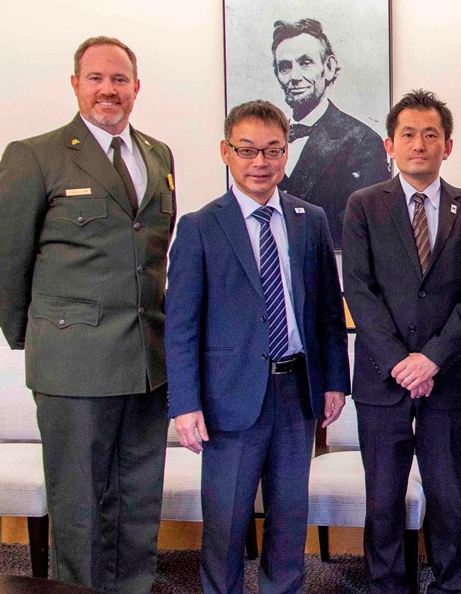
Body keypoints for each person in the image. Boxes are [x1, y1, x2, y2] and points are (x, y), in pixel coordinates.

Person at [0, 36, 176, 593]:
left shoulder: (157, 155)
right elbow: (5, 258)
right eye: (96, 78)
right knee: (79, 508)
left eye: (120, 79)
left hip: (148, 363)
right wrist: (37, 338)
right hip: (73, 363)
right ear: (75, 84)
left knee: (138, 500)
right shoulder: (36, 155)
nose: (108, 89)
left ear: (136, 88)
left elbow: (151, 256)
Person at [165, 100, 350, 594]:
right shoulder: (201, 226)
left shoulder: (310, 219)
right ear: (227, 152)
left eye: (272, 150)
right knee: (225, 525)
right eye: (247, 150)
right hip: (229, 398)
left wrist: (335, 382)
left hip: (297, 394)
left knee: (290, 522)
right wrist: (184, 404)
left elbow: (329, 312)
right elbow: (180, 324)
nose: (260, 162)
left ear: (286, 154)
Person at [343, 89, 461, 594]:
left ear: (448, 145)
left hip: (445, 377)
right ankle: (388, 586)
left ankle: (452, 586)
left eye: (431, 134)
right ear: (389, 144)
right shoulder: (363, 205)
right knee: (383, 500)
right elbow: (358, 290)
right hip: (381, 381)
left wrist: (430, 358)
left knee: (447, 496)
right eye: (408, 133)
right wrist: (400, 362)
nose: (419, 143)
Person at [272, 18, 391, 247]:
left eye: (305, 62)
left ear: (328, 68)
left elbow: (363, 232)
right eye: (285, 66)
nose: (294, 76)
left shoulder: (363, 142)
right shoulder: (266, 141)